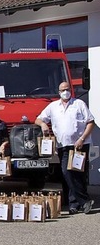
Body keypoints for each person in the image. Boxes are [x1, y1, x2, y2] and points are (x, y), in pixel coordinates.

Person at [35, 81, 95, 215]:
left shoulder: (79, 104)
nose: (65, 92)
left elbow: (90, 122)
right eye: (62, 90)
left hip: (79, 145)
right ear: (59, 92)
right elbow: (38, 119)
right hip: (63, 146)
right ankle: (84, 201)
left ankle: (74, 204)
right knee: (66, 173)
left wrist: (82, 139)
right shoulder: (53, 106)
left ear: (71, 90)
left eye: (67, 89)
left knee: (78, 174)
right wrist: (43, 125)